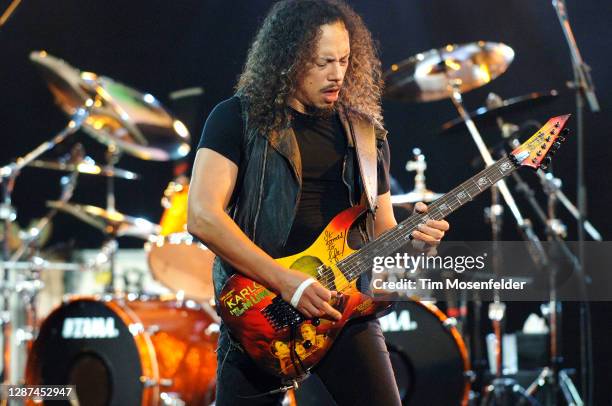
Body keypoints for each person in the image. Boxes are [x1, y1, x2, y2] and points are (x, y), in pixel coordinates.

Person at [187, 1, 449, 404]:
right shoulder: (235, 118)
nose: (337, 74)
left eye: (344, 60)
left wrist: (416, 242)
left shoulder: (366, 136)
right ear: (288, 58)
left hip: (341, 310)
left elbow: (383, 235)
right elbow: (202, 216)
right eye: (324, 62)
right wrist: (285, 281)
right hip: (262, 310)